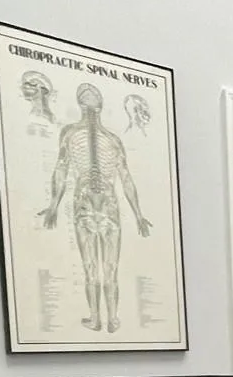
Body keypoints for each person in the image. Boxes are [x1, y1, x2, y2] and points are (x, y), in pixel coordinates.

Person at [41, 84, 153, 333]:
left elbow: (125, 177)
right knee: (97, 269)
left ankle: (104, 319)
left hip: (97, 206)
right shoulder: (81, 135)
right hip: (93, 205)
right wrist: (53, 205)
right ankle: (104, 319)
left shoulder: (104, 138)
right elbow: (61, 170)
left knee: (101, 268)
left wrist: (138, 214)